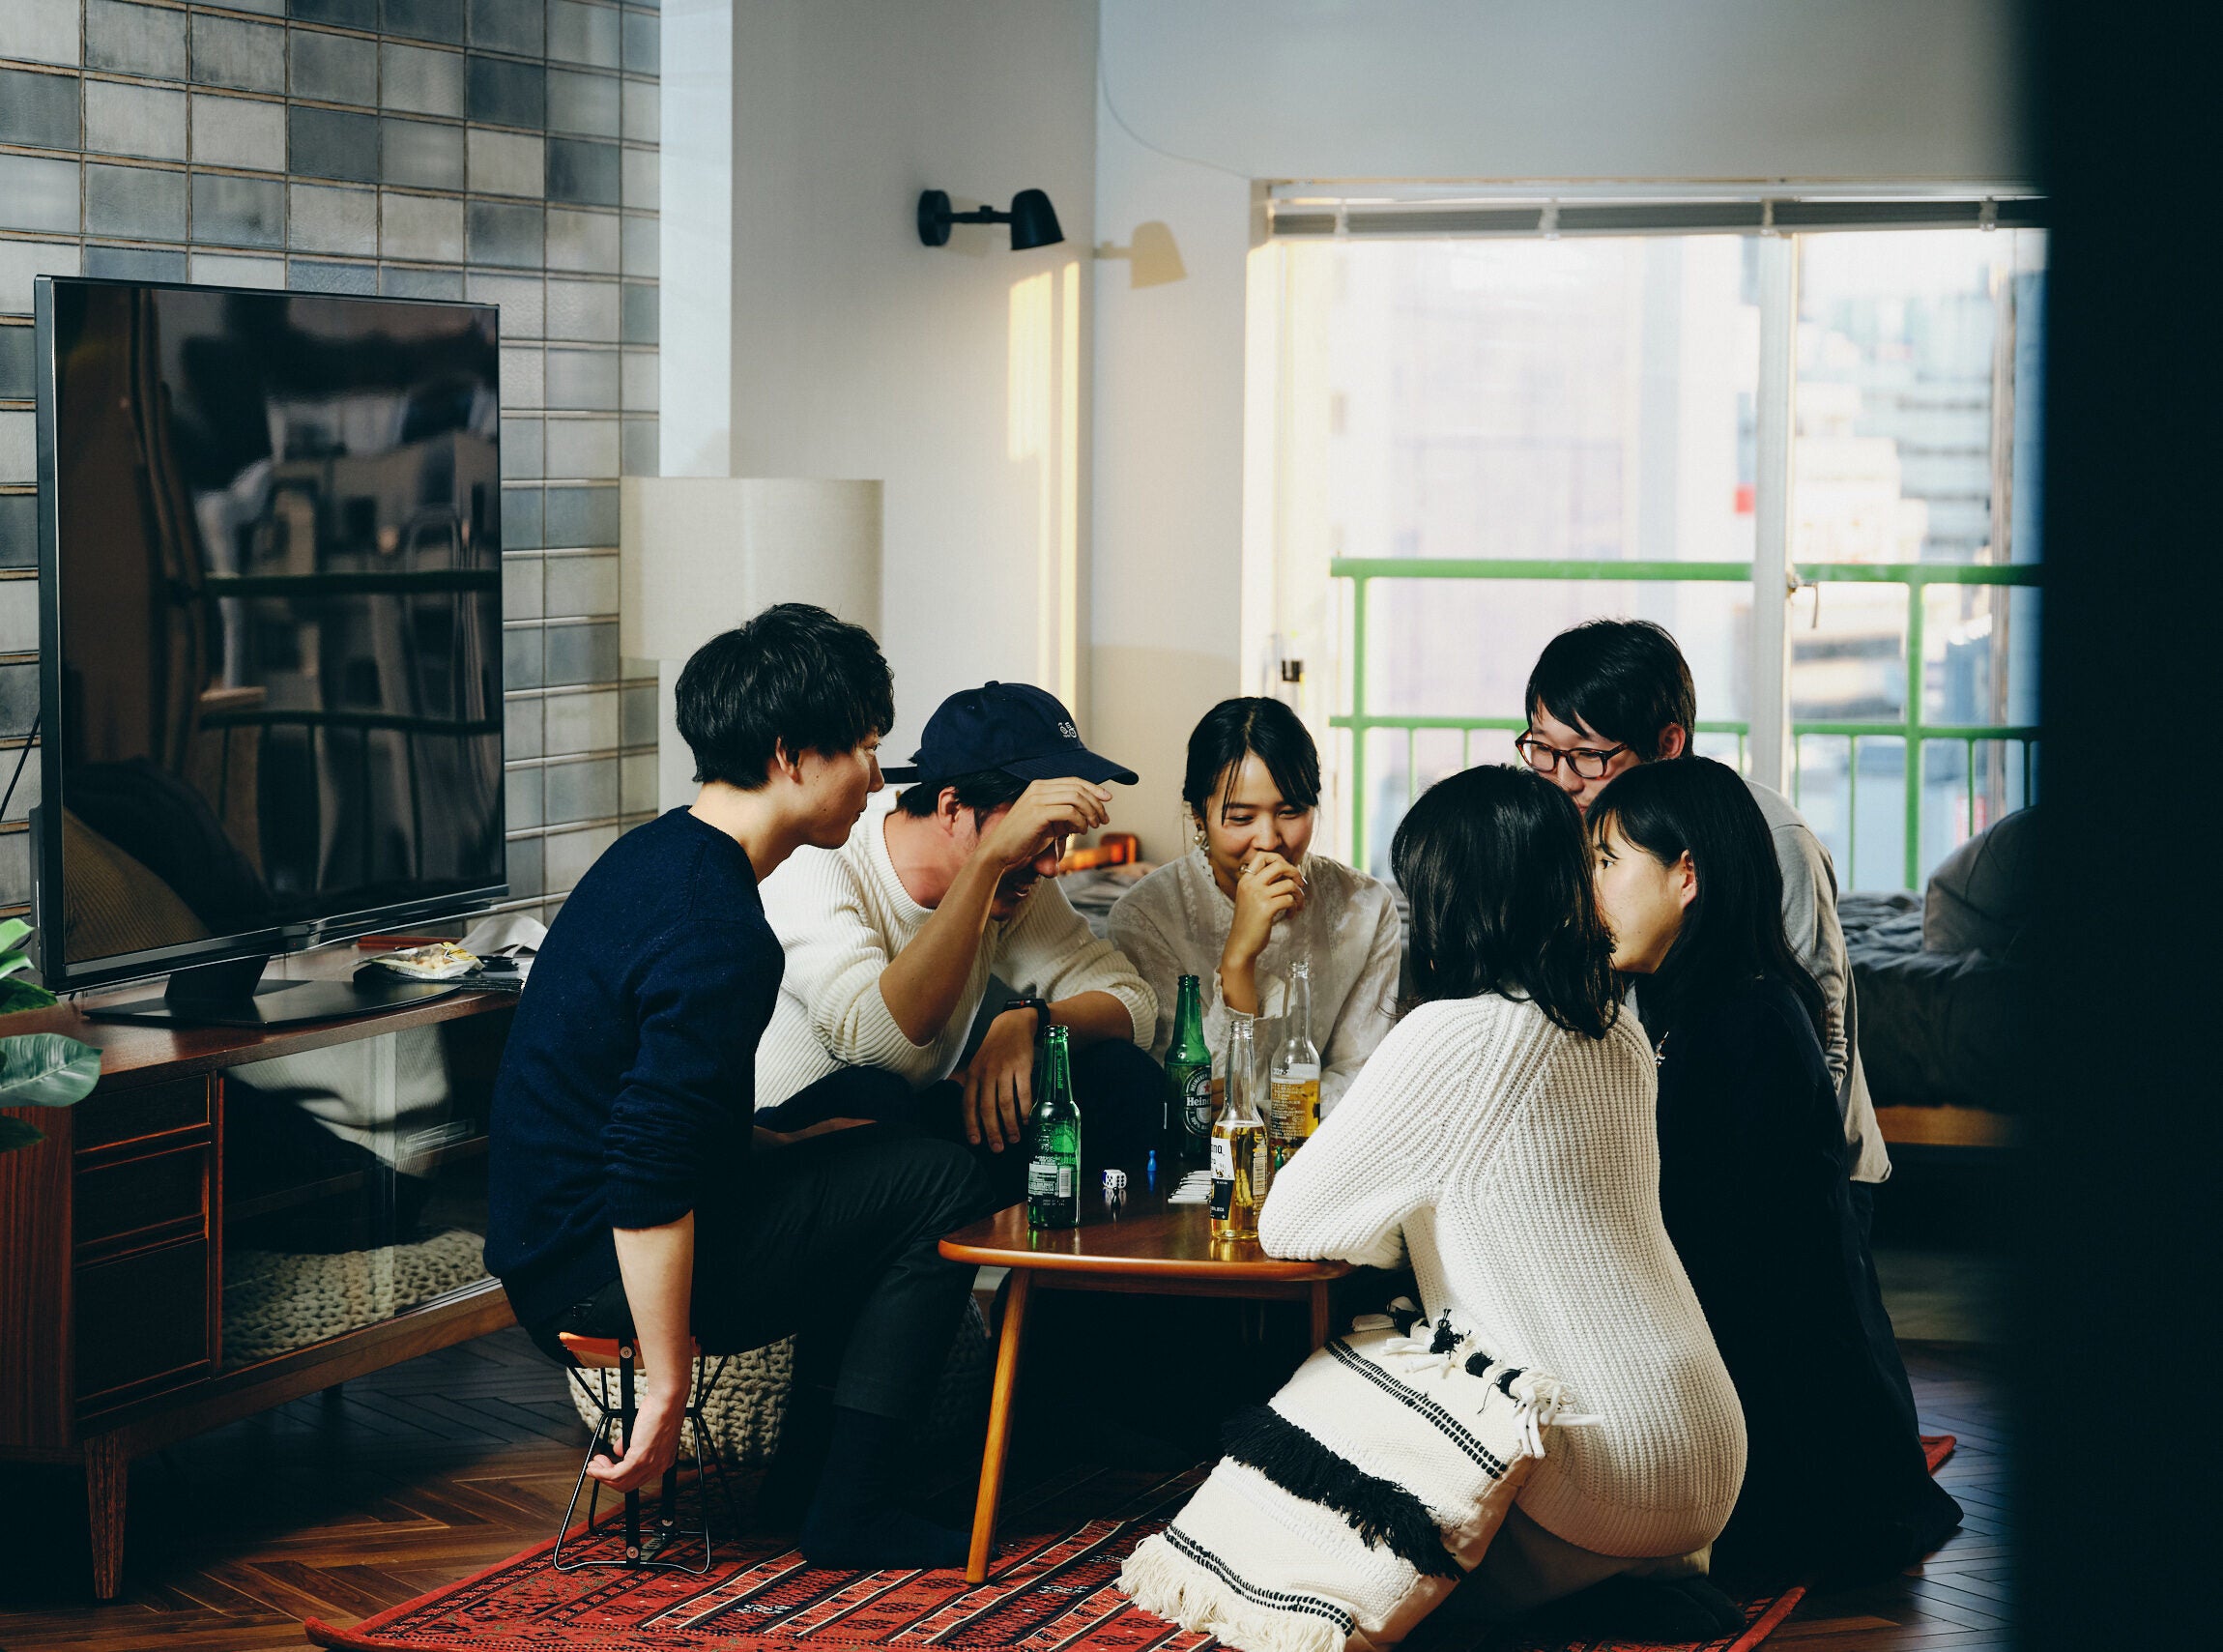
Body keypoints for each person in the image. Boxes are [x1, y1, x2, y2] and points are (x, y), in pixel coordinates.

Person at [486, 604, 995, 1570]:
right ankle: (851, 1509)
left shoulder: (660, 855)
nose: (877, 778)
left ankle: (808, 1484)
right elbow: (646, 1167)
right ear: (790, 756)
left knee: (868, 1108)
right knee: (943, 1179)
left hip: (552, 1245)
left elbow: (642, 1105)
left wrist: (783, 1145)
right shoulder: (718, 927)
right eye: (863, 747)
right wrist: (666, 1383)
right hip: (594, 1269)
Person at [1259, 766, 1747, 1631]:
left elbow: (1289, 1222)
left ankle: (1574, 1577)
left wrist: (1398, 1219)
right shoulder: (1618, 1026)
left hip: (1607, 1467)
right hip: (1710, 1449)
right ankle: (1630, 1576)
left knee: (1366, 1367)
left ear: (1446, 901)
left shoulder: (1452, 1034)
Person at [1586, 757, 1961, 1582]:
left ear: (1687, 875)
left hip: (1783, 1420)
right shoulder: (1691, 998)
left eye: (1608, 862)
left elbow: (1733, 1262)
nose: (1592, 887)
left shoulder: (1749, 1018)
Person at [1517, 620, 1891, 1223]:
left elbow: (1820, 1038)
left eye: (1588, 755)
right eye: (1543, 750)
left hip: (1793, 1173)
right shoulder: (1565, 830)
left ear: (1668, 742)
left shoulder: (1770, 839)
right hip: (1650, 1164)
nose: (1563, 779)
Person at [754, 681, 1161, 1187]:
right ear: (951, 808)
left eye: (1061, 836)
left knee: (1116, 1072)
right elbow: (883, 1046)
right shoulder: (821, 859)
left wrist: (1029, 1021)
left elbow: (1135, 1004)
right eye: (1036, 833)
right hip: (785, 1143)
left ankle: (1081, 1240)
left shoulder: (1018, 880)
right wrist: (989, 864)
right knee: (876, 1093)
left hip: (905, 1129)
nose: (1052, 866)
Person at [1109, 697, 1401, 1119]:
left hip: (1327, 1146)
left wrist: (1270, 1112)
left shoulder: (1367, 907)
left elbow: (1362, 1077)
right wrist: (1238, 958)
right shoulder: (1146, 916)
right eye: (1242, 818)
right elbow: (1195, 1100)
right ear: (1198, 816)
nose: (1268, 840)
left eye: (1291, 811)